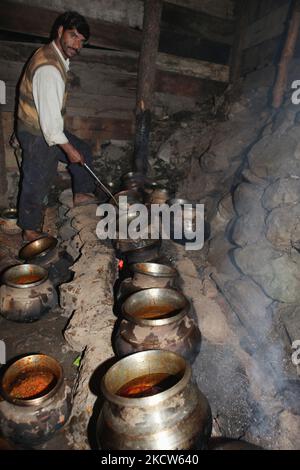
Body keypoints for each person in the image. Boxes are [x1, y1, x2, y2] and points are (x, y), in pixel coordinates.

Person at [17, 11, 98, 242]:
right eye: (73, 36)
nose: (77, 44)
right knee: (37, 179)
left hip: (43, 126)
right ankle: (29, 229)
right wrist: (69, 150)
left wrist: (74, 149)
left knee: (83, 149)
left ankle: (81, 194)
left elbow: (52, 121)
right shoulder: (49, 68)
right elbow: (51, 128)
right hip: (35, 133)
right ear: (60, 31)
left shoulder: (56, 56)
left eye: (81, 41)